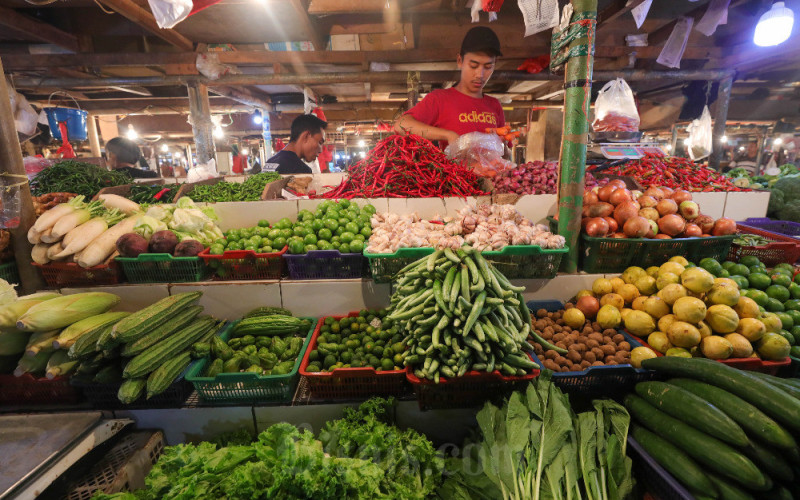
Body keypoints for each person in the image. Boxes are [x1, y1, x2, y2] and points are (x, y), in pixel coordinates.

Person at [393, 26, 505, 149]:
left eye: (488, 67)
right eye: (473, 65)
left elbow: (504, 151)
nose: (480, 74)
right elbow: (401, 125)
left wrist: (504, 146)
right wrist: (448, 135)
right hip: (453, 163)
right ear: (460, 61)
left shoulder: (494, 105)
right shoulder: (439, 99)